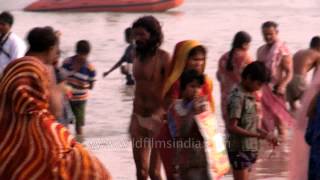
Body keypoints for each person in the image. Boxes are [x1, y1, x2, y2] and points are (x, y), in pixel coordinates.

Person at [0, 26, 110, 179]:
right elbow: (53, 110)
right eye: (57, 49)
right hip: (38, 136)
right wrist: (60, 90)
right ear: (51, 48)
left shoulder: (14, 66)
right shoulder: (39, 68)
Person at [159, 40, 215, 180]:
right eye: (194, 59)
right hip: (175, 137)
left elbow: (210, 114)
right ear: (184, 59)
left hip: (200, 136)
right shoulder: (176, 83)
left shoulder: (205, 81)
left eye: (202, 59)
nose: (198, 63)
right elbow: (173, 114)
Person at [129, 16, 171, 180]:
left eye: (141, 34)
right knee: (141, 172)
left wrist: (166, 117)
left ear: (153, 35)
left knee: (154, 173)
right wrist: (133, 118)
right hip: (138, 117)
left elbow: (172, 91)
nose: (137, 39)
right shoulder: (135, 56)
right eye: (135, 35)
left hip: (157, 118)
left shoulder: (164, 58)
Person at [226, 61, 276, 180]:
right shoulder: (237, 97)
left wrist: (266, 134)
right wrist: (258, 135)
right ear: (248, 78)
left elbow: (250, 123)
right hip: (239, 148)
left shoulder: (249, 94)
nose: (259, 88)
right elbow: (232, 126)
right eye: (258, 84)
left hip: (248, 148)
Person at [167, 69, 210, 180]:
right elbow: (179, 134)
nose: (196, 90)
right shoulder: (175, 109)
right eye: (192, 86)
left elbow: (211, 134)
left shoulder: (204, 106)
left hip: (202, 159)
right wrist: (192, 112)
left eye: (199, 87)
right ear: (183, 88)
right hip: (185, 160)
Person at [257, 21, 294, 140]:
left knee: (280, 122)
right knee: (263, 121)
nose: (267, 37)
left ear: (276, 33)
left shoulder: (283, 50)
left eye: (270, 34)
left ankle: (283, 150)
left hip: (277, 90)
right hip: (263, 89)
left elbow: (289, 72)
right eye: (265, 34)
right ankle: (270, 150)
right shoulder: (261, 50)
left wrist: (282, 85)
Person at [61, 40, 96, 142]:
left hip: (81, 99)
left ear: (88, 54)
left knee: (79, 124)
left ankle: (80, 144)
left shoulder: (90, 68)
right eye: (81, 54)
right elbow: (61, 78)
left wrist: (82, 85)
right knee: (65, 122)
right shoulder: (67, 63)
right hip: (67, 97)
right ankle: (66, 142)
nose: (83, 57)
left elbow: (91, 86)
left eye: (84, 55)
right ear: (76, 52)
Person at [217, 31, 253, 123]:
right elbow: (253, 80)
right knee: (244, 130)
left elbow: (219, 77)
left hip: (226, 100)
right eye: (249, 44)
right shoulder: (246, 58)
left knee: (230, 130)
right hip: (241, 100)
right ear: (244, 45)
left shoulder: (223, 58)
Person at [286, 36, 320, 111]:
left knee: (293, 107)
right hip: (299, 79)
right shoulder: (317, 54)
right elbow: (316, 75)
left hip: (288, 79)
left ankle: (293, 119)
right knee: (308, 103)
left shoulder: (300, 51)